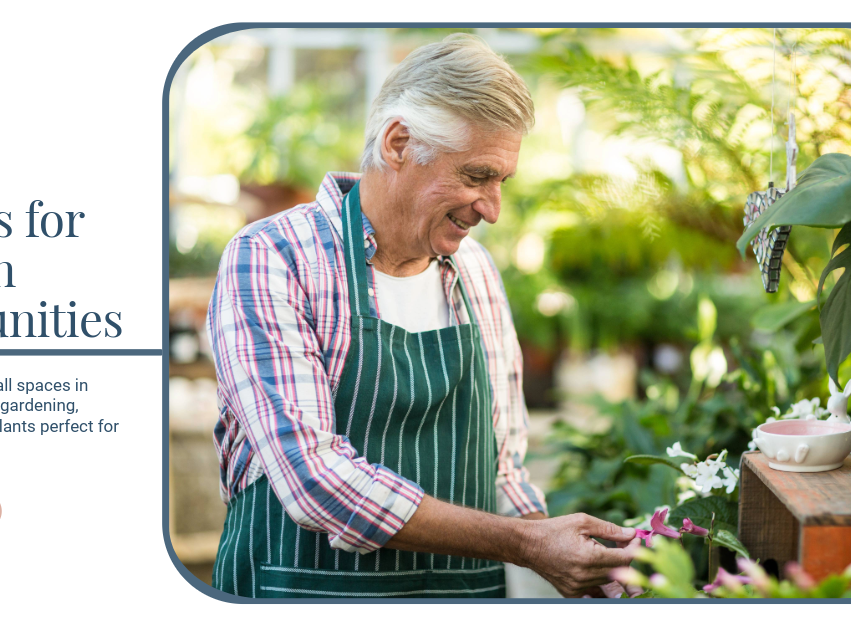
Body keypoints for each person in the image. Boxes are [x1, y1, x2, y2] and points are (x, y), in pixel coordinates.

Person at [205, 34, 638, 599]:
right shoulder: (273, 258)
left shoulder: (475, 272)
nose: (492, 209)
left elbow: (502, 470)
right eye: (477, 175)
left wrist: (569, 560)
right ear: (398, 143)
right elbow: (313, 480)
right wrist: (524, 544)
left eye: (501, 181)